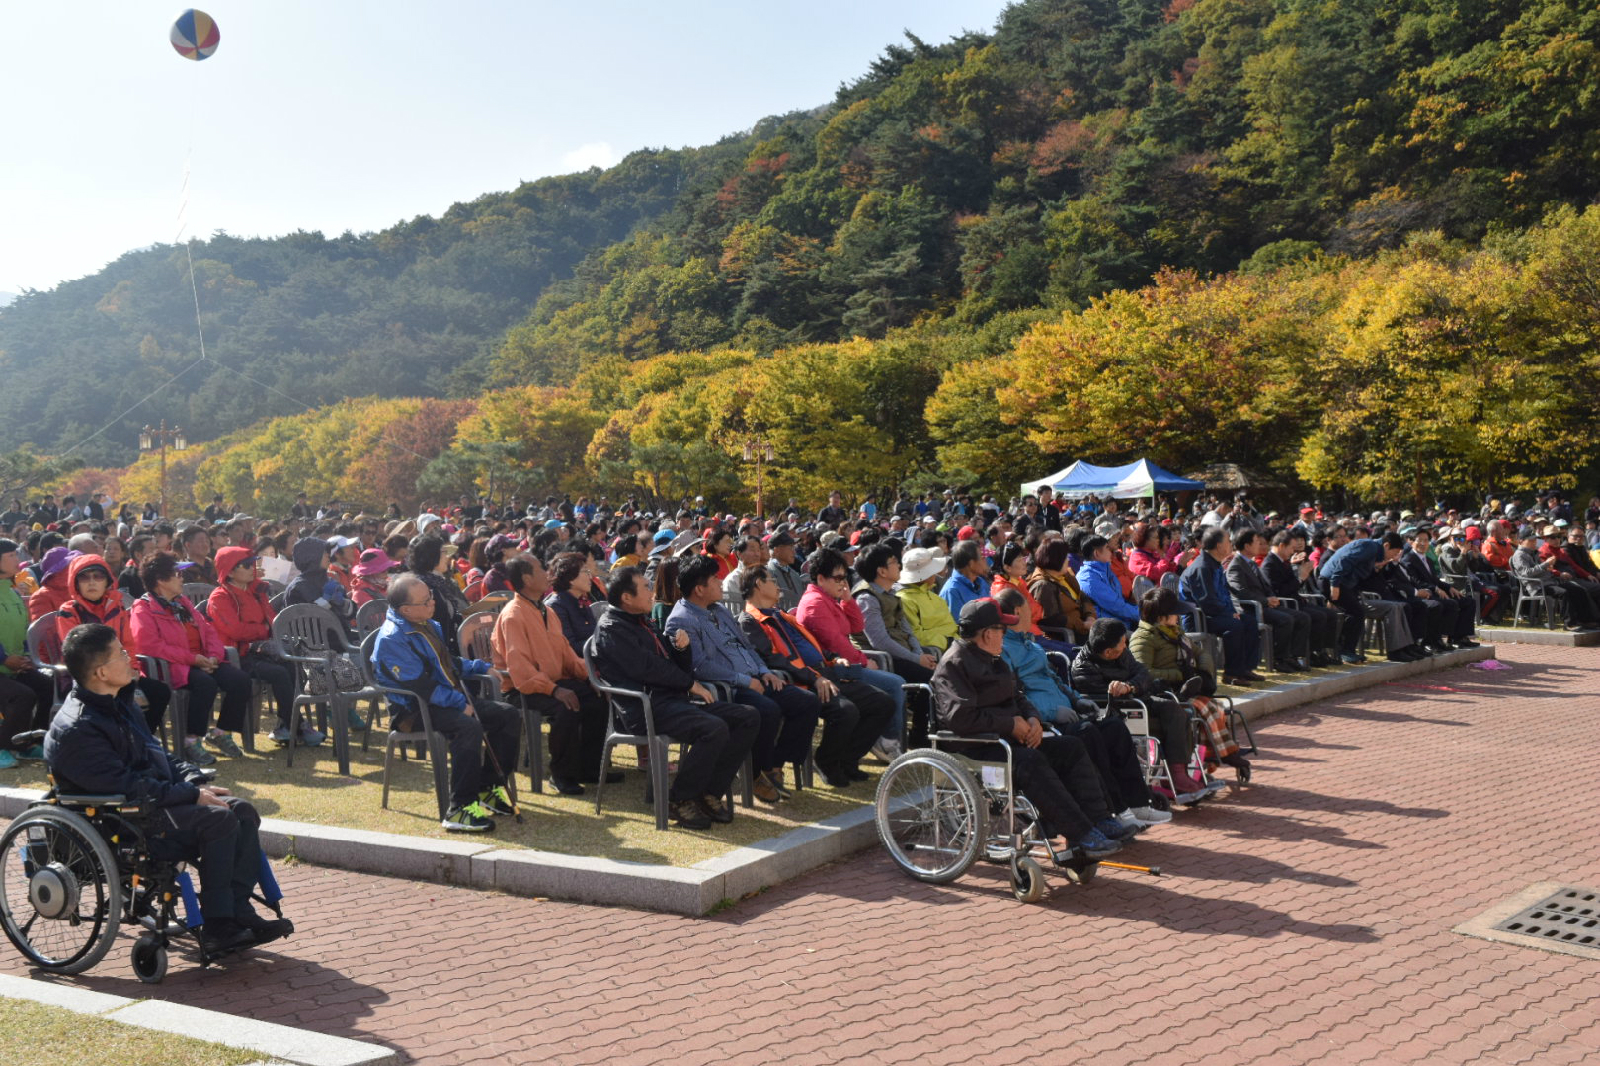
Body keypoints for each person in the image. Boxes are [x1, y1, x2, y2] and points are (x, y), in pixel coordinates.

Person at [43, 623, 292, 953]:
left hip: (151, 803)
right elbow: (126, 788)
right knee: (219, 820)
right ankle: (220, 925)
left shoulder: (121, 703)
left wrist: (192, 780)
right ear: (102, 671)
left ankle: (238, 911)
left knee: (242, 809)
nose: (130, 658)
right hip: (124, 821)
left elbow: (158, 756)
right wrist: (190, 795)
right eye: (121, 653)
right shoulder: (79, 727)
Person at [933, 599, 1127, 861]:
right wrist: (1011, 724)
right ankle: (1082, 833)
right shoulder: (953, 664)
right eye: (1003, 629)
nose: (1006, 634)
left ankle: (1099, 820)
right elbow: (960, 718)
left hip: (1008, 739)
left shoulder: (995, 660)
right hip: (976, 746)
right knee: (1031, 761)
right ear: (988, 634)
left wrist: (1033, 719)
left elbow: (1019, 696)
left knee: (1070, 746)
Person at [591, 566, 760, 829]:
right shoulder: (612, 628)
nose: (652, 592)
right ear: (626, 597)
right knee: (712, 728)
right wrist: (691, 684)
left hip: (671, 702)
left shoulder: (641, 621)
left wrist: (682, 648)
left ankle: (708, 793)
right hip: (643, 709)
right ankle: (680, 799)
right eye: (645, 588)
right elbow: (646, 668)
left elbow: (672, 663)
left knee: (746, 717)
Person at [992, 587, 1170, 828]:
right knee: (1089, 734)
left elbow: (1055, 680)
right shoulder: (1003, 650)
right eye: (1028, 607)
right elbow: (1017, 694)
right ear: (1016, 611)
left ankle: (1138, 803)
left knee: (1114, 728)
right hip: (1045, 721)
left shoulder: (1032, 646)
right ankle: (1116, 809)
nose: (1033, 611)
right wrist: (1052, 713)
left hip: (1069, 711)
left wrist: (1077, 699)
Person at [372, 574, 522, 832]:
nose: (432, 603)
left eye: (430, 596)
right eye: (426, 601)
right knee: (467, 726)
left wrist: (480, 666)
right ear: (405, 609)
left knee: (508, 715)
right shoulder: (391, 639)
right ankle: (460, 808)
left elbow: (447, 664)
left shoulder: (427, 624)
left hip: (441, 700)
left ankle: (488, 786)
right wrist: (458, 702)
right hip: (412, 709)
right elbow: (420, 685)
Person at [665, 555, 815, 804]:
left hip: (755, 676)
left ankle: (773, 765)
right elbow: (700, 667)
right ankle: (756, 773)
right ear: (700, 589)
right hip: (730, 687)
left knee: (806, 702)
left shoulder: (720, 611)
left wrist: (763, 670)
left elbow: (746, 645)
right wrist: (744, 680)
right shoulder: (682, 620)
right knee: (768, 710)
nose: (720, 581)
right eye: (714, 579)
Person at [739, 566, 894, 788]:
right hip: (802, 680)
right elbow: (773, 659)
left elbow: (810, 644)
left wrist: (833, 657)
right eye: (772, 580)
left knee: (882, 702)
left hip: (825, 672)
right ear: (758, 585)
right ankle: (826, 761)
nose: (777, 585)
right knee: (846, 711)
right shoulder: (750, 621)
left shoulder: (781, 614)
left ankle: (847, 760)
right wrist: (814, 678)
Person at [490, 556, 614, 796]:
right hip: (521, 689)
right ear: (526, 579)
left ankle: (588, 767)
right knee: (565, 706)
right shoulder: (514, 615)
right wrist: (554, 690)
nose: (547, 572)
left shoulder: (545, 610)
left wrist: (590, 677)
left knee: (597, 698)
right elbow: (521, 670)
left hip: (549, 681)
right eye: (540, 569)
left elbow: (566, 653)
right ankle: (561, 774)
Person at [1071, 617, 1224, 801]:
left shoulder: (1121, 653)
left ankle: (1180, 773)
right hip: (1122, 710)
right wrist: (1126, 690)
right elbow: (1104, 699)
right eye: (1121, 644)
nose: (1125, 645)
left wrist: (1130, 686)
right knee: (1172, 721)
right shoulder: (1082, 669)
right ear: (1109, 652)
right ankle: (1175, 777)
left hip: (1137, 698)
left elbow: (1142, 672)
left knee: (1181, 711)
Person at [130, 551, 254, 765]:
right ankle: (191, 740)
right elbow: (149, 645)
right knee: (205, 684)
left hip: (202, 661)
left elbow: (208, 630)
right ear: (160, 580)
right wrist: (192, 659)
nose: (182, 578)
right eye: (177, 574)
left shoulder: (183, 603)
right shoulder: (143, 608)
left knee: (240, 680)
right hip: (173, 666)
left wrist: (214, 656)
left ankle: (221, 733)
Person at [1127, 587, 1251, 782]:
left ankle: (1214, 759)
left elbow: (1201, 653)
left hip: (1185, 688)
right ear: (1162, 617)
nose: (1178, 616)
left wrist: (1200, 671)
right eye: (1175, 612)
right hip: (1164, 693)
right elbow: (1142, 673)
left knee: (1213, 706)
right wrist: (1179, 674)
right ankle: (1220, 756)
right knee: (1202, 708)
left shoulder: (1176, 632)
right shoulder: (1142, 639)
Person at [796, 547, 907, 763]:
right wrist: (865, 662)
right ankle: (887, 740)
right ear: (820, 578)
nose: (842, 583)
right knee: (896, 683)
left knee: (893, 681)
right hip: (832, 669)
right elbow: (836, 644)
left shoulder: (828, 599)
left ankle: (882, 737)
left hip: (843, 663)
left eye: (844, 577)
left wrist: (847, 599)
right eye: (837, 578)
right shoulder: (815, 604)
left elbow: (856, 626)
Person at [207, 546, 323, 748]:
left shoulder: (256, 592)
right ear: (230, 571)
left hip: (259, 650)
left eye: (253, 562)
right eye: (245, 565)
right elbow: (236, 631)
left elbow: (272, 622)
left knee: (290, 664)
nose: (252, 567)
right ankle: (294, 725)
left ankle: (288, 725)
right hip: (236, 656)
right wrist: (261, 630)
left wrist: (263, 630)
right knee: (278, 672)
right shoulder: (220, 597)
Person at [54, 552, 174, 739]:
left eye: (98, 576)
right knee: (118, 696)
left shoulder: (116, 607)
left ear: (107, 581)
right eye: (84, 577)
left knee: (160, 691)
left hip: (118, 671)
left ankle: (140, 741)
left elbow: (128, 643)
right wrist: (113, 673)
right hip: (83, 677)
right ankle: (120, 743)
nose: (92, 582)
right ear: (75, 583)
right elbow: (77, 651)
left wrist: (132, 668)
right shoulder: (69, 611)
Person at [1319, 532, 1425, 660]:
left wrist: (1375, 567)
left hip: (1343, 584)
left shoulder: (1374, 551)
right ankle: (1345, 651)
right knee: (1356, 612)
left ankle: (1349, 650)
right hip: (1332, 582)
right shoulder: (1369, 546)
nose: (1394, 556)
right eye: (1395, 552)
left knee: (1358, 612)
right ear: (1386, 546)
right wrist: (1334, 585)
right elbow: (1345, 560)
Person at [1179, 528, 1264, 683]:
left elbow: (1224, 595)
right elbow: (1207, 601)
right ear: (1219, 546)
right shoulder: (1202, 567)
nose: (1231, 544)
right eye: (1228, 541)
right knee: (1235, 626)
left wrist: (1232, 612)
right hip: (1199, 617)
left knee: (1249, 621)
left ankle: (1245, 669)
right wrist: (1229, 614)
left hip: (1215, 614)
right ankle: (1231, 673)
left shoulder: (1215, 564)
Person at [0, 538, 54, 769]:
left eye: (16, 554)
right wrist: (4, 659)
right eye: (11, 556)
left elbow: (22, 630)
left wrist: (24, 658)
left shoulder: (12, 592)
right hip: (3, 665)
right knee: (23, 695)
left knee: (47, 685)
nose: (17, 560)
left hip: (13, 665)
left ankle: (28, 742)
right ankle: (3, 746)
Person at [1227, 529, 1312, 672]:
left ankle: (1294, 657)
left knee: (1302, 617)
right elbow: (1241, 592)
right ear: (1247, 546)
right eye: (1256, 542)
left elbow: (1266, 586)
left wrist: (1271, 597)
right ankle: (1279, 659)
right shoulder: (1236, 565)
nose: (1260, 545)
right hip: (1251, 609)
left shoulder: (1251, 563)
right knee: (1285, 620)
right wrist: (1266, 600)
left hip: (1264, 605)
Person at [1260, 530, 1342, 665]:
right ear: (1281, 546)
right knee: (1315, 616)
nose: (1293, 552)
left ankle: (1321, 651)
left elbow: (1293, 585)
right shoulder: (1269, 564)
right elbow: (1277, 591)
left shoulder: (1282, 561)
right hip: (1286, 603)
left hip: (1295, 601)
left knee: (1330, 614)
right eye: (1291, 548)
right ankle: (1302, 655)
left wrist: (1301, 574)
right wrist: (1300, 577)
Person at [896, 547, 957, 653]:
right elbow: (915, 635)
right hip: (941, 651)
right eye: (932, 571)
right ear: (924, 575)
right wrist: (946, 640)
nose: (935, 574)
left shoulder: (935, 597)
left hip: (953, 645)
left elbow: (951, 626)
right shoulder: (905, 600)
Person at [1077, 535, 1139, 628]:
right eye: (1107, 548)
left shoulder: (1105, 569)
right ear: (1097, 553)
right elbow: (1115, 606)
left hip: (1122, 620)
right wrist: (1142, 614)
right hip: (1109, 628)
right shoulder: (1088, 578)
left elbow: (1119, 601)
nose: (1110, 552)